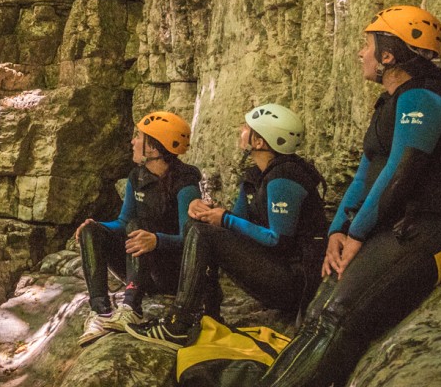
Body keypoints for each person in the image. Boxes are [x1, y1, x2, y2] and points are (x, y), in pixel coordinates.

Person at [195, 6, 441, 387]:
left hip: (440, 227)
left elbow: (400, 175)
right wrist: (338, 232)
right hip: (401, 224)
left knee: (339, 313)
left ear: (389, 55)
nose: (359, 53)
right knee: (317, 310)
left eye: (367, 45)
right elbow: (366, 176)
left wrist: (359, 234)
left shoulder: (425, 96)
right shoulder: (390, 101)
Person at [124, 103, 325, 350]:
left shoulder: (284, 178)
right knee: (199, 227)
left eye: (247, 128)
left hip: (294, 282)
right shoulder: (253, 176)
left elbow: (278, 240)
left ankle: (179, 323)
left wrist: (224, 218)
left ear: (259, 141)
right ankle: (208, 312)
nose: (241, 130)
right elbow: (235, 226)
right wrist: (210, 212)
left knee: (201, 232)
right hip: (274, 270)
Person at [76, 110, 202, 346]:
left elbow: (192, 239)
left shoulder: (186, 182)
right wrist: (97, 227)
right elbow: (123, 223)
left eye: (139, 137)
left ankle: (131, 306)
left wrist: (157, 240)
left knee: (138, 226)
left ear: (153, 148)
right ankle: (101, 312)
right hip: (142, 268)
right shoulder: (138, 176)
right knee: (91, 230)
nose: (133, 142)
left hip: (171, 272)